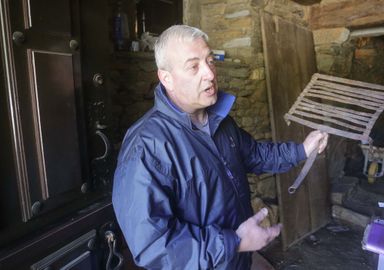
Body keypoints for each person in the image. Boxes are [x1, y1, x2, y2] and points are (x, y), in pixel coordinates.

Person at [112, 25, 328, 269]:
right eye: (194, 66)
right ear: (166, 78)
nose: (210, 73)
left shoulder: (220, 121)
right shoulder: (145, 146)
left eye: (210, 60)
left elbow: (255, 155)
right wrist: (234, 242)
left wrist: (302, 149)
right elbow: (155, 246)